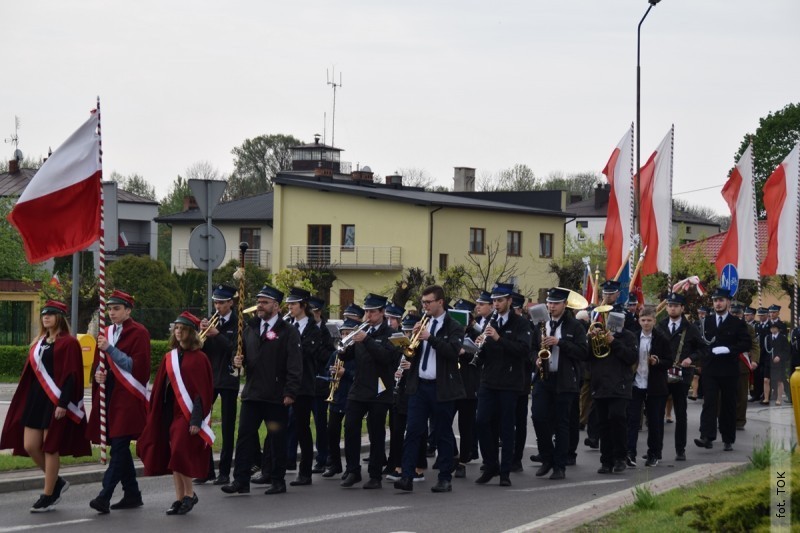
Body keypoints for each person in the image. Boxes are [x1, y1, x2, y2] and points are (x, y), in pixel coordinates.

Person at [1, 300, 91, 513]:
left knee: (50, 446)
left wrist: (62, 403)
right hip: (36, 400)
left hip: (56, 401)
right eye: (44, 314)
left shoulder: (68, 342)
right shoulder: (40, 341)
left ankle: (48, 494)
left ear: (59, 317)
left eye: (50, 314)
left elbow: (71, 376)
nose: (46, 317)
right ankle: (58, 482)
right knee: (31, 445)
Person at [221, 285, 302, 496]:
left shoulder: (288, 332)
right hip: (253, 393)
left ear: (276, 306)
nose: (260, 306)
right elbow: (241, 355)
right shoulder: (250, 328)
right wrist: (236, 360)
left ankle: (277, 479)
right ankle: (240, 480)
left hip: (276, 396)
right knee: (245, 437)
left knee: (276, 439)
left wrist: (290, 392)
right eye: (258, 301)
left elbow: (295, 364)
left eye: (265, 302)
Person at [137, 312, 214, 516]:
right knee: (173, 455)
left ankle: (190, 494)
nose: (179, 332)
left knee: (180, 452)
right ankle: (179, 498)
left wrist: (196, 419)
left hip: (187, 414)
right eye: (177, 329)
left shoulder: (200, 358)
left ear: (191, 332)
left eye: (183, 329)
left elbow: (202, 393)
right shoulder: (169, 356)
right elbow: (161, 388)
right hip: (169, 412)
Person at [394, 285, 465, 493]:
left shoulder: (454, 326)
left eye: (428, 302)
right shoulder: (422, 324)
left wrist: (430, 338)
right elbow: (411, 355)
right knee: (413, 431)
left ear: (440, 302)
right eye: (423, 302)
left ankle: (444, 478)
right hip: (419, 386)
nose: (424, 306)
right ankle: (407, 476)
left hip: (442, 387)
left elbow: (453, 352)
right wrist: (410, 343)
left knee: (442, 433)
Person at [88, 290, 151, 515]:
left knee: (120, 445)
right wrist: (98, 374)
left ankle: (104, 496)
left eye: (116, 309)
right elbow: (99, 364)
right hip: (111, 394)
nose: (112, 312)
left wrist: (110, 349)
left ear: (128, 310)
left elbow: (136, 367)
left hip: (128, 396)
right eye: (110, 309)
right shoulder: (106, 332)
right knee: (118, 446)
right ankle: (132, 493)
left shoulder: (139, 333)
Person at [339, 293, 400, 489]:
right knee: (350, 428)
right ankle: (353, 470)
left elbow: (385, 358)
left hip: (380, 389)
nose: (368, 316)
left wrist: (366, 340)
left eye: (372, 312)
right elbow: (348, 356)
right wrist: (343, 348)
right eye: (366, 312)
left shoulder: (391, 334)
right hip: (359, 388)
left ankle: (375, 475)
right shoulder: (360, 331)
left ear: (382, 313)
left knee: (376, 433)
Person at [475, 282, 533, 487]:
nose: (497, 304)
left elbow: (523, 351)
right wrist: (477, 347)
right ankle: (491, 465)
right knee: (482, 421)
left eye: (500, 300)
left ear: (509, 301)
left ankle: (505, 471)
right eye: (494, 301)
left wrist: (498, 338)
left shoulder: (521, 324)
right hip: (488, 380)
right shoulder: (489, 322)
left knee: (507, 427)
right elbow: (484, 355)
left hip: (510, 382)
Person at [530, 288, 588, 480]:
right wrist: (535, 360)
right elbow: (530, 349)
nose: (551, 306)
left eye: (555, 303)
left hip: (564, 380)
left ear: (565, 305)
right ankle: (547, 457)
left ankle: (559, 465)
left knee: (562, 423)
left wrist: (560, 342)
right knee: (538, 417)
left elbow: (583, 352)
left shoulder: (575, 326)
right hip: (543, 377)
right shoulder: (540, 324)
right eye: (549, 303)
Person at [694, 288, 751, 452]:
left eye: (721, 300)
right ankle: (707, 436)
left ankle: (728, 438)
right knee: (709, 402)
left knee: (728, 404)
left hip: (729, 369)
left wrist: (729, 349)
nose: (718, 303)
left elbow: (745, 343)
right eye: (715, 300)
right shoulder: (707, 322)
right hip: (711, 369)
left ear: (728, 302)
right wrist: (701, 360)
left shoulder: (737, 322)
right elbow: (701, 343)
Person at [194, 284, 239, 486]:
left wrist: (217, 334)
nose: (217, 306)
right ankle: (206, 470)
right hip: (210, 378)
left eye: (221, 302)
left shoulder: (238, 323)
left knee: (228, 428)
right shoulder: (210, 322)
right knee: (202, 422)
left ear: (231, 302)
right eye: (216, 302)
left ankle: (224, 473)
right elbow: (197, 349)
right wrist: (199, 333)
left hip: (229, 379)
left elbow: (236, 350)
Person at [588, 310, 637, 474]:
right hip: (600, 384)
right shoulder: (598, 334)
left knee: (617, 418)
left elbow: (631, 358)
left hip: (620, 386)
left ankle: (620, 457)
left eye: (618, 319)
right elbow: (587, 356)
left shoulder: (629, 336)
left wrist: (614, 342)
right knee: (603, 424)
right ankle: (606, 460)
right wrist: (590, 338)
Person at [284, 287, 324, 486]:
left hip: (304, 385)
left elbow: (305, 353)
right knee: (278, 426)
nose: (289, 307)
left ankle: (305, 471)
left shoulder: (313, 329)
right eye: (289, 304)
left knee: (301, 428)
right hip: (284, 384)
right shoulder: (286, 325)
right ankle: (273, 467)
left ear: (303, 306)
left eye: (293, 304)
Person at [656, 293, 703, 461]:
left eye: (676, 305)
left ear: (682, 308)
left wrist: (691, 358)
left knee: (681, 413)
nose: (672, 308)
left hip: (682, 376)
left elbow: (701, 348)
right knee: (658, 412)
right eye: (670, 305)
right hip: (662, 374)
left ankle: (680, 449)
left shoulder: (690, 328)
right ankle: (656, 450)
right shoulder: (660, 326)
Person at [625, 306, 671, 467]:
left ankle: (654, 453)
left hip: (655, 385)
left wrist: (657, 361)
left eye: (649, 320)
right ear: (639, 321)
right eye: (643, 320)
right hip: (636, 383)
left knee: (654, 421)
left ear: (654, 321)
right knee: (632, 420)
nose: (646, 323)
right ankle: (630, 452)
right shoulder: (633, 337)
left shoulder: (662, 338)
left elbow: (669, 360)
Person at [321, 318, 359, 479]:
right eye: (342, 333)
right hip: (336, 396)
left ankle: (351, 468)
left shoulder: (359, 352)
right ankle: (334, 463)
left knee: (350, 433)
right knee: (332, 432)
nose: (344, 336)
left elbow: (361, 375)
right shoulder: (336, 353)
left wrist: (346, 373)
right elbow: (325, 371)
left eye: (347, 333)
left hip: (352, 396)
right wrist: (331, 372)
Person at [452, 299, 480, 478]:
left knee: (466, 425)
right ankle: (452, 454)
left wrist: (466, 352)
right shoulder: (450, 331)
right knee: (443, 422)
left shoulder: (477, 333)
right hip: (451, 382)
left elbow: (481, 353)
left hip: (469, 384)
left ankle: (462, 460)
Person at [309, 296, 332, 474]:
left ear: (318, 312)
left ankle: (323, 458)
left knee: (320, 423)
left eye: (313, 312)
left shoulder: (325, 331)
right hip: (303, 383)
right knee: (294, 422)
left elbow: (328, 356)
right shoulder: (301, 328)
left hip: (319, 383)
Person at [731, 304, 759, 428]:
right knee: (723, 395)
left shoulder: (748, 328)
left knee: (742, 395)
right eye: (733, 313)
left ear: (742, 315)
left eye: (738, 314)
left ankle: (739, 421)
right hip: (726, 364)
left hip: (742, 364)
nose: (736, 316)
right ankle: (724, 418)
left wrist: (754, 360)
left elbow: (754, 345)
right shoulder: (723, 325)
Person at [763, 321, 790, 405]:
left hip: (779, 363)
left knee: (779, 381)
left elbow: (787, 350)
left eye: (774, 328)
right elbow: (764, 350)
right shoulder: (767, 338)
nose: (772, 329)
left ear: (778, 329)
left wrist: (780, 357)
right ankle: (766, 398)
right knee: (766, 380)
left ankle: (779, 399)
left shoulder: (783, 338)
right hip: (768, 362)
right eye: (771, 328)